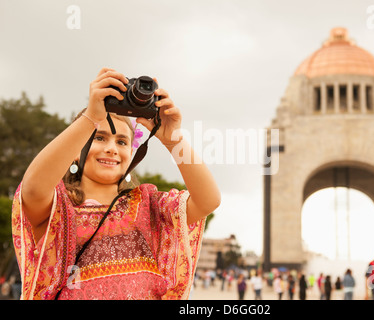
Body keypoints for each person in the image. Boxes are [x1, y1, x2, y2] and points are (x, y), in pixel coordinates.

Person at [11, 68, 221, 300]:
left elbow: (208, 201)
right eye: (99, 137)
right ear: (75, 152)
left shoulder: (148, 205)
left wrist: (174, 140)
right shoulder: (59, 207)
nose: (112, 148)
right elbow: (32, 188)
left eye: (122, 141)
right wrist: (90, 118)